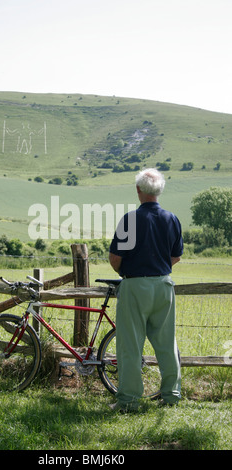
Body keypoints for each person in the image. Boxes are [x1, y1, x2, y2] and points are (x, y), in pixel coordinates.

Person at [109, 168, 183, 412]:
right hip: (163, 285)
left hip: (134, 285)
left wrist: (127, 276)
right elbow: (175, 256)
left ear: (138, 190)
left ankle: (129, 399)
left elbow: (115, 257)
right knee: (166, 343)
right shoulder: (172, 219)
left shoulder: (130, 219)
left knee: (130, 345)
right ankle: (171, 395)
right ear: (159, 190)